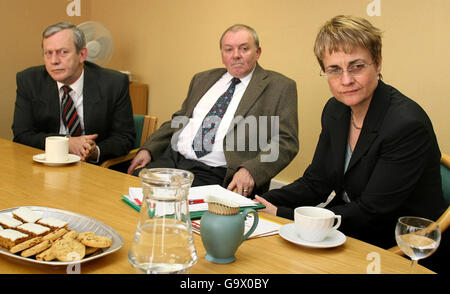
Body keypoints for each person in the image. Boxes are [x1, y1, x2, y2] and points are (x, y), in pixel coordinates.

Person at [256, 15, 448, 255]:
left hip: (397, 243)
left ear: (377, 64)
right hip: (349, 225)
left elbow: (372, 212)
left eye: (357, 66)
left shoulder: (406, 125)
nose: (346, 80)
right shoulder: (335, 109)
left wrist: (282, 214)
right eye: (334, 70)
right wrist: (259, 202)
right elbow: (316, 182)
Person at [128, 24, 299, 196]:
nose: (236, 55)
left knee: (169, 204)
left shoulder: (279, 87)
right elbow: (179, 118)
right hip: (172, 158)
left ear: (258, 52)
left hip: (217, 172)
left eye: (244, 49)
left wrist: (251, 171)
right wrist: (148, 148)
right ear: (222, 55)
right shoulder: (203, 79)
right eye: (228, 49)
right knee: (130, 187)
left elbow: (286, 142)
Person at [12, 22, 135, 164]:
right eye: (48, 53)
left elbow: (125, 137)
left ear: (82, 54)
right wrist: (67, 143)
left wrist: (95, 151)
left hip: (95, 170)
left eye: (63, 52)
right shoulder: (29, 81)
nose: (54, 61)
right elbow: (22, 134)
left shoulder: (113, 83)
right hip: (46, 165)